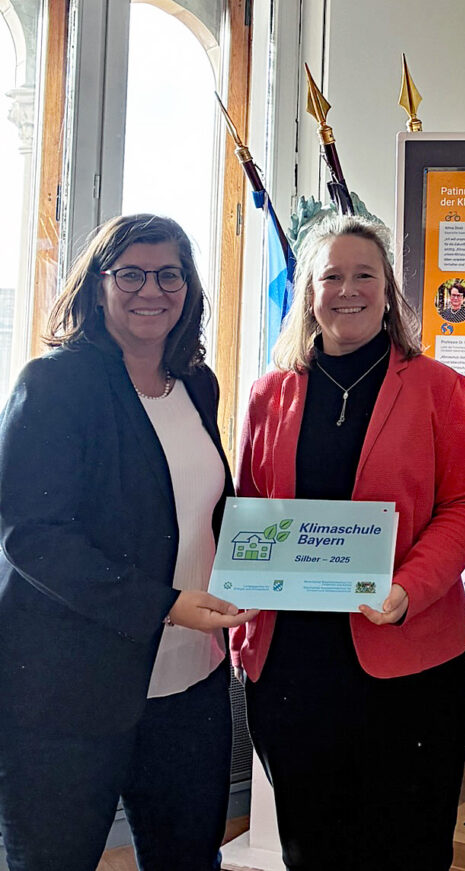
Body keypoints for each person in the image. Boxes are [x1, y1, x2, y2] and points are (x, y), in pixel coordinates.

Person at [231, 214, 465, 871]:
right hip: (292, 667)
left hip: (408, 657)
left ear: (388, 290)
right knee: (312, 849)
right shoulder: (269, 394)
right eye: (332, 276)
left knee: (408, 850)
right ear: (309, 293)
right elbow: (249, 511)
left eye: (364, 275)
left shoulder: (437, 387)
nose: (348, 290)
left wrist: (408, 589)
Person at [0, 214, 254, 871]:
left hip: (191, 681)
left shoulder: (196, 383)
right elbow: (31, 536)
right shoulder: (53, 385)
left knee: (188, 859)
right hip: (70, 691)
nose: (152, 290)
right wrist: (163, 604)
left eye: (169, 274)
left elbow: (202, 509)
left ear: (188, 287)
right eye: (131, 274)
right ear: (98, 284)